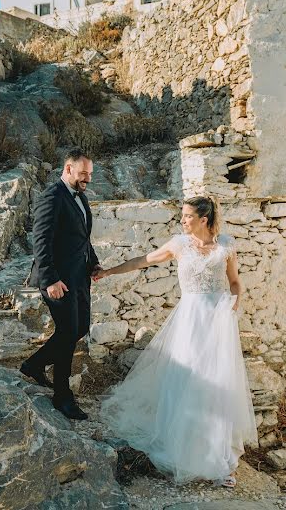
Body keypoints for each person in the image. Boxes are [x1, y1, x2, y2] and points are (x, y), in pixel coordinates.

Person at [95, 196, 258, 486]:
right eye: (182, 216)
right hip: (190, 320)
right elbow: (142, 261)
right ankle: (180, 447)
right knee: (184, 381)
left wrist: (234, 302)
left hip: (217, 322)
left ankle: (217, 457)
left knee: (216, 385)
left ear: (203, 220)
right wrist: (108, 271)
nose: (182, 220)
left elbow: (234, 281)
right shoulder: (179, 245)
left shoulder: (225, 245)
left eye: (186, 216)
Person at [20, 148, 102, 420]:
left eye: (89, 174)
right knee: (68, 333)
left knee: (79, 328)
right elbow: (40, 241)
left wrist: (94, 263)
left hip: (78, 277)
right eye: (83, 173)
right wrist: (50, 279)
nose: (87, 179)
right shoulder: (52, 197)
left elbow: (82, 239)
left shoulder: (80, 197)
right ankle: (62, 396)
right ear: (68, 169)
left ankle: (34, 364)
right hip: (56, 279)